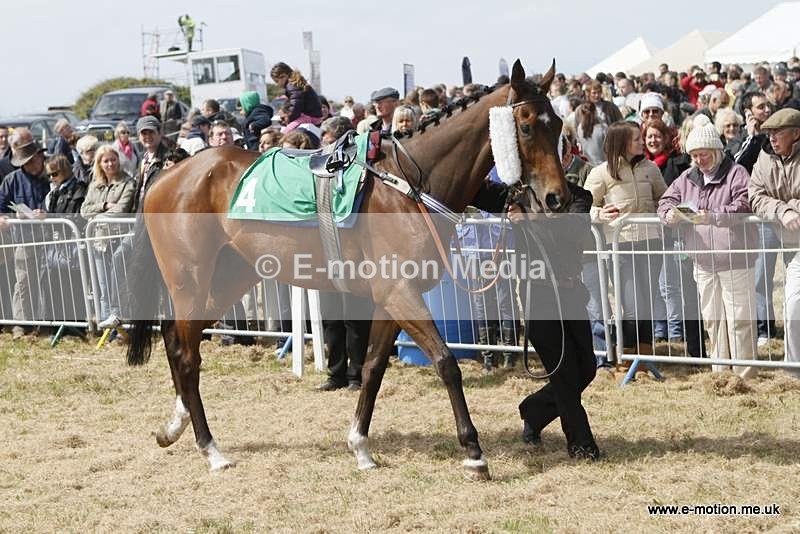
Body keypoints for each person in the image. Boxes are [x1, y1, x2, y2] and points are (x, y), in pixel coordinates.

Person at [471, 179, 601, 459]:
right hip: (537, 295)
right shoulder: (518, 195)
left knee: (587, 368)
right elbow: (474, 188)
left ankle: (534, 410)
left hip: (571, 292)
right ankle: (581, 443)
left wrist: (529, 217)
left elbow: (572, 228)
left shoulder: (579, 196)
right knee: (564, 372)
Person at [659, 114, 758, 378]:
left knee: (739, 320)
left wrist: (712, 215)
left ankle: (744, 374)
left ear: (716, 150)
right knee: (713, 320)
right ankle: (720, 372)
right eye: (695, 155)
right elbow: (666, 200)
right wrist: (668, 214)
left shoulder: (736, 173)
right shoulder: (687, 178)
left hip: (735, 258)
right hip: (703, 261)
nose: (700, 160)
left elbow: (743, 204)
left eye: (704, 154)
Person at [584, 121, 668, 357]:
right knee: (632, 305)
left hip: (650, 243)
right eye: (637, 139)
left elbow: (665, 197)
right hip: (620, 247)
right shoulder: (600, 173)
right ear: (621, 142)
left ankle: (645, 355)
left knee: (648, 303)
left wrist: (669, 209)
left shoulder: (651, 168)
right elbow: (583, 206)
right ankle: (629, 356)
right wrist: (598, 214)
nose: (643, 142)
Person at [96, 116, 167, 329]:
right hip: (140, 225)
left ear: (160, 133)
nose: (147, 136)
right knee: (119, 258)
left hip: (161, 227)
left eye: (151, 132)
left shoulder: (168, 158)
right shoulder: (143, 160)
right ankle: (119, 312)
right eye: (143, 133)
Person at [749, 108, 800, 377]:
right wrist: (782, 211)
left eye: (777, 132)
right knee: (792, 304)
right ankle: (794, 369)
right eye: (768, 133)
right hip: (791, 242)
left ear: (796, 133)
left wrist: (793, 208)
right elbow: (754, 194)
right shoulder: (765, 158)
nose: (772, 138)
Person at [0, 128, 50, 339]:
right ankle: (20, 325)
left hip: (52, 239)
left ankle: (49, 323)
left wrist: (46, 214)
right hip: (23, 239)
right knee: (23, 282)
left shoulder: (52, 175)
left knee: (50, 281)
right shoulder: (12, 180)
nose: (31, 165)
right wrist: (5, 218)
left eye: (33, 160)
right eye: (26, 162)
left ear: (40, 156)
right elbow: (1, 205)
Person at [81, 145, 136, 325]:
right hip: (100, 240)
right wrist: (104, 206)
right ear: (99, 164)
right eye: (106, 161)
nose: (110, 163)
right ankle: (107, 326)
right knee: (103, 287)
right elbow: (83, 210)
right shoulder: (94, 185)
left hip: (120, 237)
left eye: (113, 159)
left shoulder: (128, 183)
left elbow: (121, 210)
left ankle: (121, 322)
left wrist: (95, 218)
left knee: (118, 284)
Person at [38, 154, 88, 322]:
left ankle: (76, 324)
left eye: (55, 174)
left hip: (72, 247)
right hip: (55, 246)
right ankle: (57, 322)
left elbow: (78, 217)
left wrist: (49, 218)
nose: (52, 178)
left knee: (73, 286)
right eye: (49, 175)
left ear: (65, 171)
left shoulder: (80, 189)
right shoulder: (53, 192)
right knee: (54, 286)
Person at [270, 62, 322, 133]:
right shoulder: (295, 83)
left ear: (283, 76)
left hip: (309, 116)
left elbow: (296, 104)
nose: (276, 84)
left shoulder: (291, 85)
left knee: (286, 132)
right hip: (314, 115)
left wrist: (290, 119)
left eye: (277, 81)